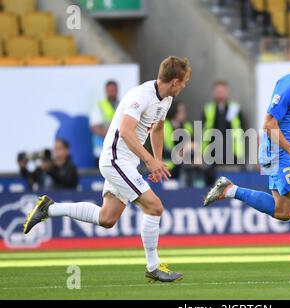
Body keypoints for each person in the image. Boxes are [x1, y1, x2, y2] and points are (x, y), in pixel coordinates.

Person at [23, 56, 191, 283]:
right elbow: (126, 132)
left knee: (107, 218)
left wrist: (158, 160)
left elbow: (158, 128)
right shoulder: (140, 96)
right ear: (174, 81)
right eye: (184, 81)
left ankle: (49, 209)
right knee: (155, 207)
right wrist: (150, 160)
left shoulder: (166, 99)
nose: (185, 86)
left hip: (127, 162)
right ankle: (153, 267)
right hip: (115, 159)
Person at [203, 44, 290, 277]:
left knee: (283, 212)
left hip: (285, 154)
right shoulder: (289, 86)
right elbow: (269, 124)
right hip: (277, 153)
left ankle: (230, 190)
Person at [202, 80, 245, 166]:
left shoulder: (235, 108)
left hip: (233, 152)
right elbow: (202, 130)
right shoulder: (208, 108)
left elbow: (243, 129)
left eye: (222, 91)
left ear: (227, 92)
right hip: (212, 152)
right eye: (218, 91)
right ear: (214, 92)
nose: (220, 94)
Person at [90, 80, 120, 164]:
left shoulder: (122, 104)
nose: (112, 92)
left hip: (119, 151)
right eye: (110, 90)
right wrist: (115, 135)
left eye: (114, 90)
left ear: (117, 90)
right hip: (102, 150)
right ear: (106, 91)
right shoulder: (99, 106)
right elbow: (95, 128)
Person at [163, 100, 193, 180]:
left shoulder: (187, 126)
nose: (184, 113)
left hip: (184, 163)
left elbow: (193, 144)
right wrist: (177, 153)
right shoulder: (165, 125)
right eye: (181, 111)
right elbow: (161, 149)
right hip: (167, 163)